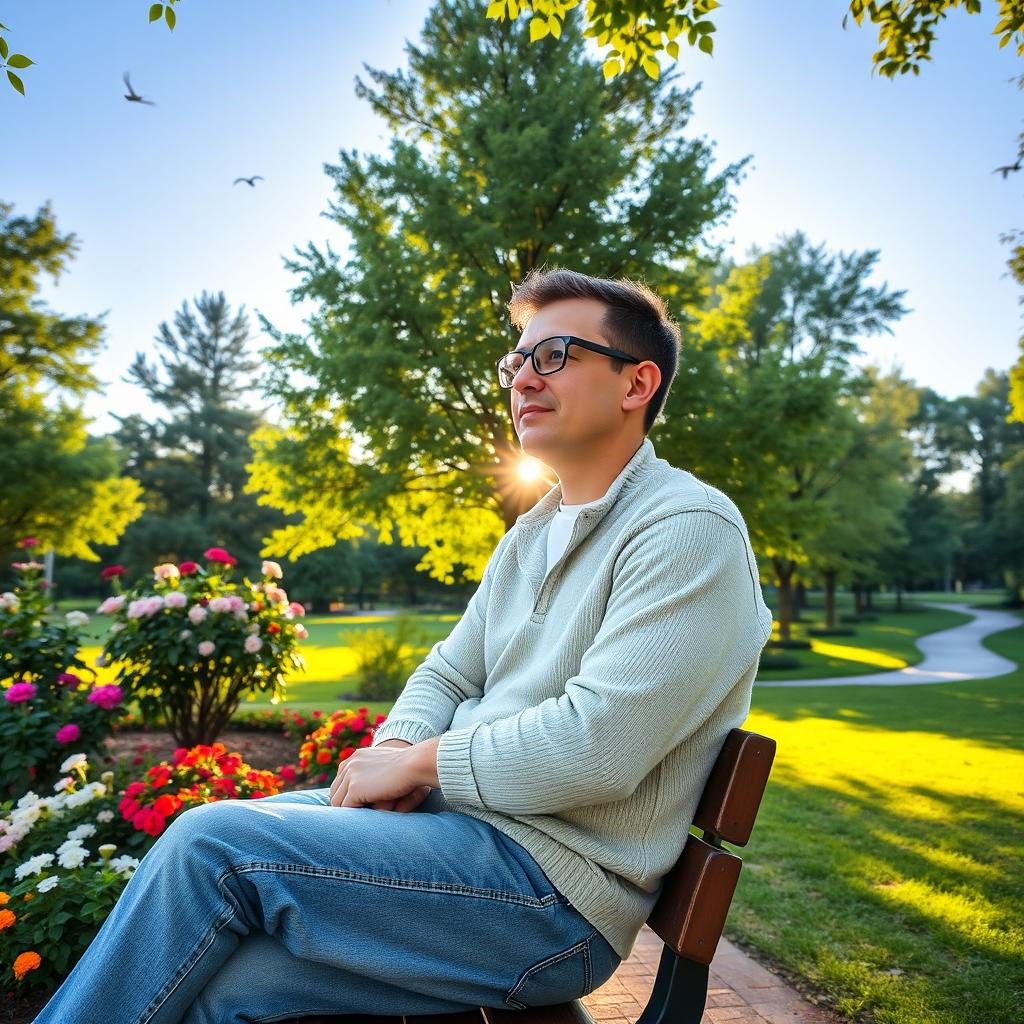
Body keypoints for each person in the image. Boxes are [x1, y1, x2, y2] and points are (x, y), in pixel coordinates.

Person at [34, 269, 773, 1024]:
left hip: (552, 899)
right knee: (224, 990)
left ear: (636, 383)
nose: (523, 378)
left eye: (554, 354)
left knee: (208, 844)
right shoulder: (533, 531)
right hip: (459, 846)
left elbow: (597, 747)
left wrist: (417, 763)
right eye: (515, 361)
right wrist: (397, 744)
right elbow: (449, 670)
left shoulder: (687, 528)